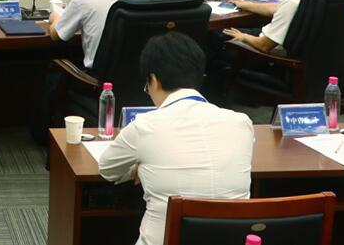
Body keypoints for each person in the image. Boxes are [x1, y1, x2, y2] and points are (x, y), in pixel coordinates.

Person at [98, 32, 253, 245]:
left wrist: (138, 169)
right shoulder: (241, 123)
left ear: (153, 80)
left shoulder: (145, 126)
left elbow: (107, 170)